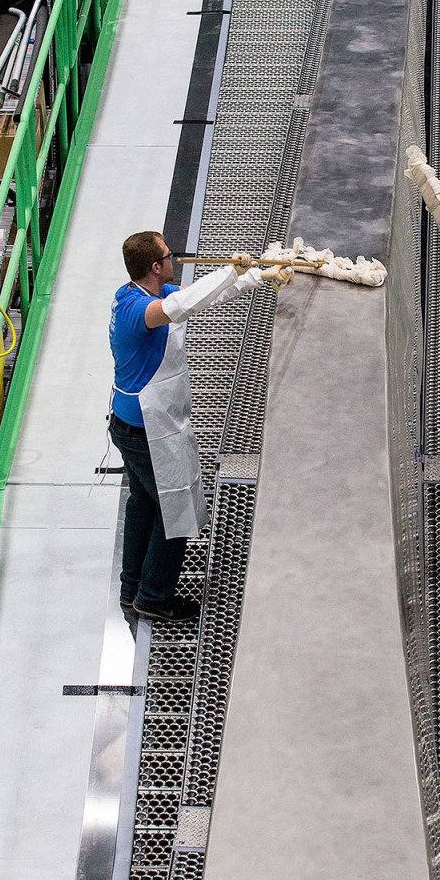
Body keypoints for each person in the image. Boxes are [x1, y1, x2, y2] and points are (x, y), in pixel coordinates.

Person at [108, 232, 287, 621]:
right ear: (156, 266)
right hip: (147, 430)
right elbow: (177, 307)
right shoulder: (137, 311)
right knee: (176, 510)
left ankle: (130, 586)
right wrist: (229, 269)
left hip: (134, 424)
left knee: (143, 504)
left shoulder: (138, 292)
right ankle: (153, 597)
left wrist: (258, 275)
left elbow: (202, 298)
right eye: (169, 255)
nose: (175, 259)